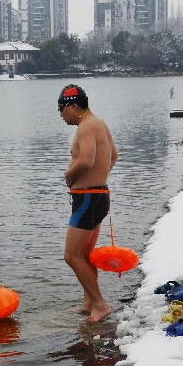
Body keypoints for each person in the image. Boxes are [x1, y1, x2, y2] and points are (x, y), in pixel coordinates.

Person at [58, 84, 119, 323]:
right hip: (99, 196)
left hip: (88, 199)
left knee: (72, 256)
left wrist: (69, 176)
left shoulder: (86, 126)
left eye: (62, 110)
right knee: (85, 255)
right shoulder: (99, 123)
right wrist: (99, 178)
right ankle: (89, 303)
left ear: (74, 106)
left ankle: (100, 305)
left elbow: (86, 159)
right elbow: (113, 156)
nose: (61, 116)